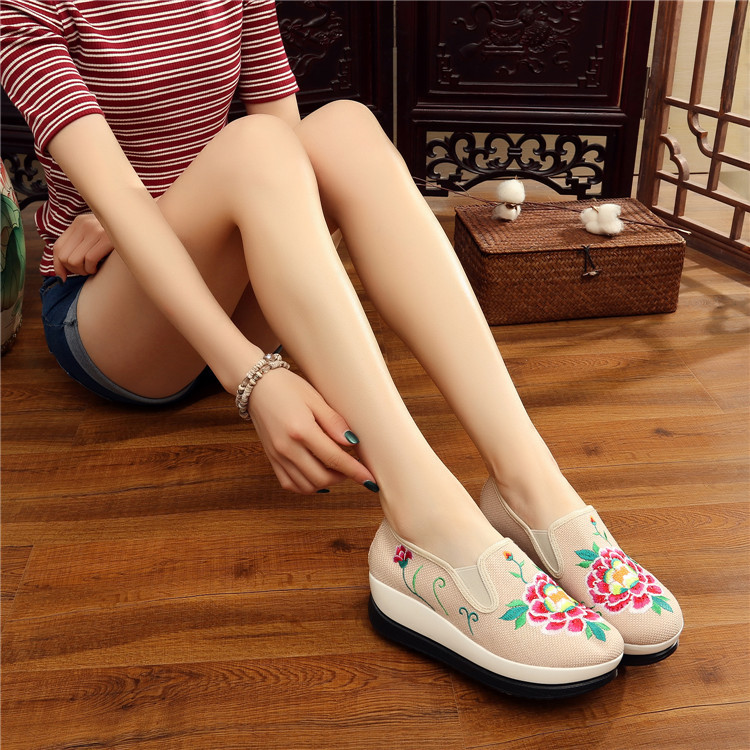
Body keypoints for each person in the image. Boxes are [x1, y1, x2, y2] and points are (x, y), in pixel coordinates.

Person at [1, 0, 682, 699]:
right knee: (252, 146)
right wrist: (254, 377)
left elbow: (291, 155)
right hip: (119, 321)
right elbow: (124, 190)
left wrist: (173, 212)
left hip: (225, 278)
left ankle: (529, 487)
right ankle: (426, 521)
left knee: (342, 128)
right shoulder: (30, 9)